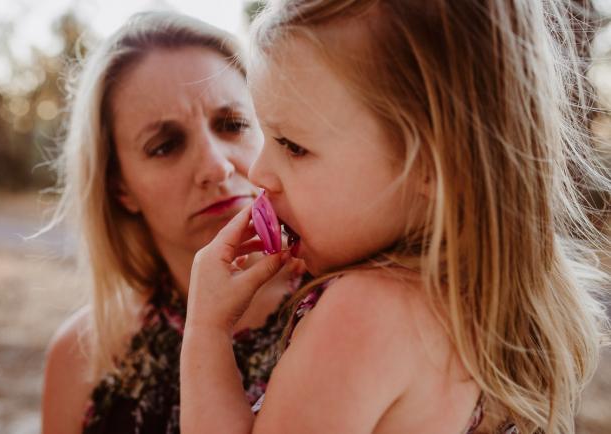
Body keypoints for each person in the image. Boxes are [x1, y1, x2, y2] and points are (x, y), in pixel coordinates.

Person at [180, 0, 611, 433]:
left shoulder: (366, 313)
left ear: (433, 164)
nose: (258, 173)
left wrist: (207, 329)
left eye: (293, 145)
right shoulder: (481, 308)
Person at [40, 11, 300, 434]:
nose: (215, 167)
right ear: (120, 188)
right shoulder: (81, 357)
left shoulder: (345, 308)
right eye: (165, 146)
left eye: (233, 125)